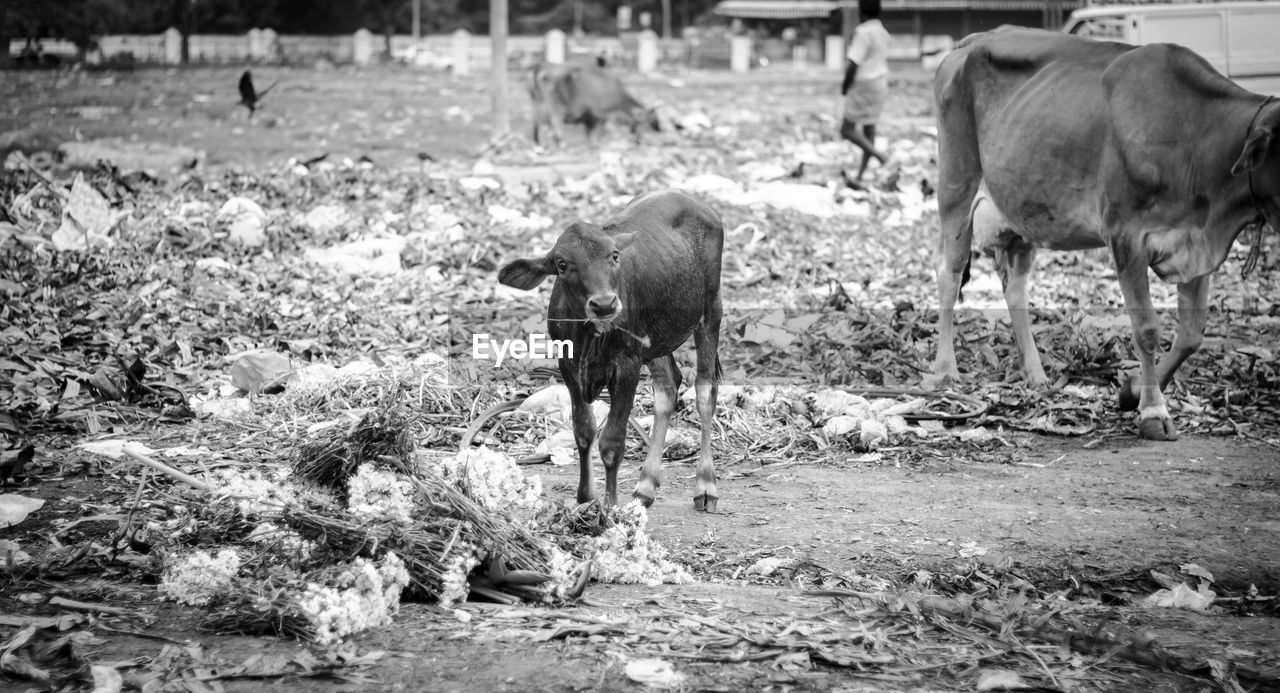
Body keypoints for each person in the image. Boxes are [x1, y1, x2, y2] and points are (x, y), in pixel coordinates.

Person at [840, 0, 897, 186]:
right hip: (880, 84)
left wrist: (845, 85)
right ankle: (860, 176)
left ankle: (881, 157)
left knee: (847, 129)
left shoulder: (863, 32)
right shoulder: (882, 32)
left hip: (863, 84)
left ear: (861, 12)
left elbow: (853, 63)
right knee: (869, 129)